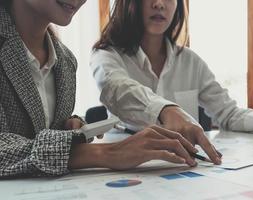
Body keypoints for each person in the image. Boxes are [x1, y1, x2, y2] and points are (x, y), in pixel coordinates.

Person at [0, 0, 200, 178]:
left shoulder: (66, 61)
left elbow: (34, 139)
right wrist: (105, 153)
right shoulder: (103, 56)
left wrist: (68, 127)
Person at [91, 0, 253, 160]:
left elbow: (228, 114)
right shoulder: (107, 55)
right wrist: (166, 110)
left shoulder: (190, 61)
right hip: (129, 167)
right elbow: (116, 89)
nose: (159, 4)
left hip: (186, 167)